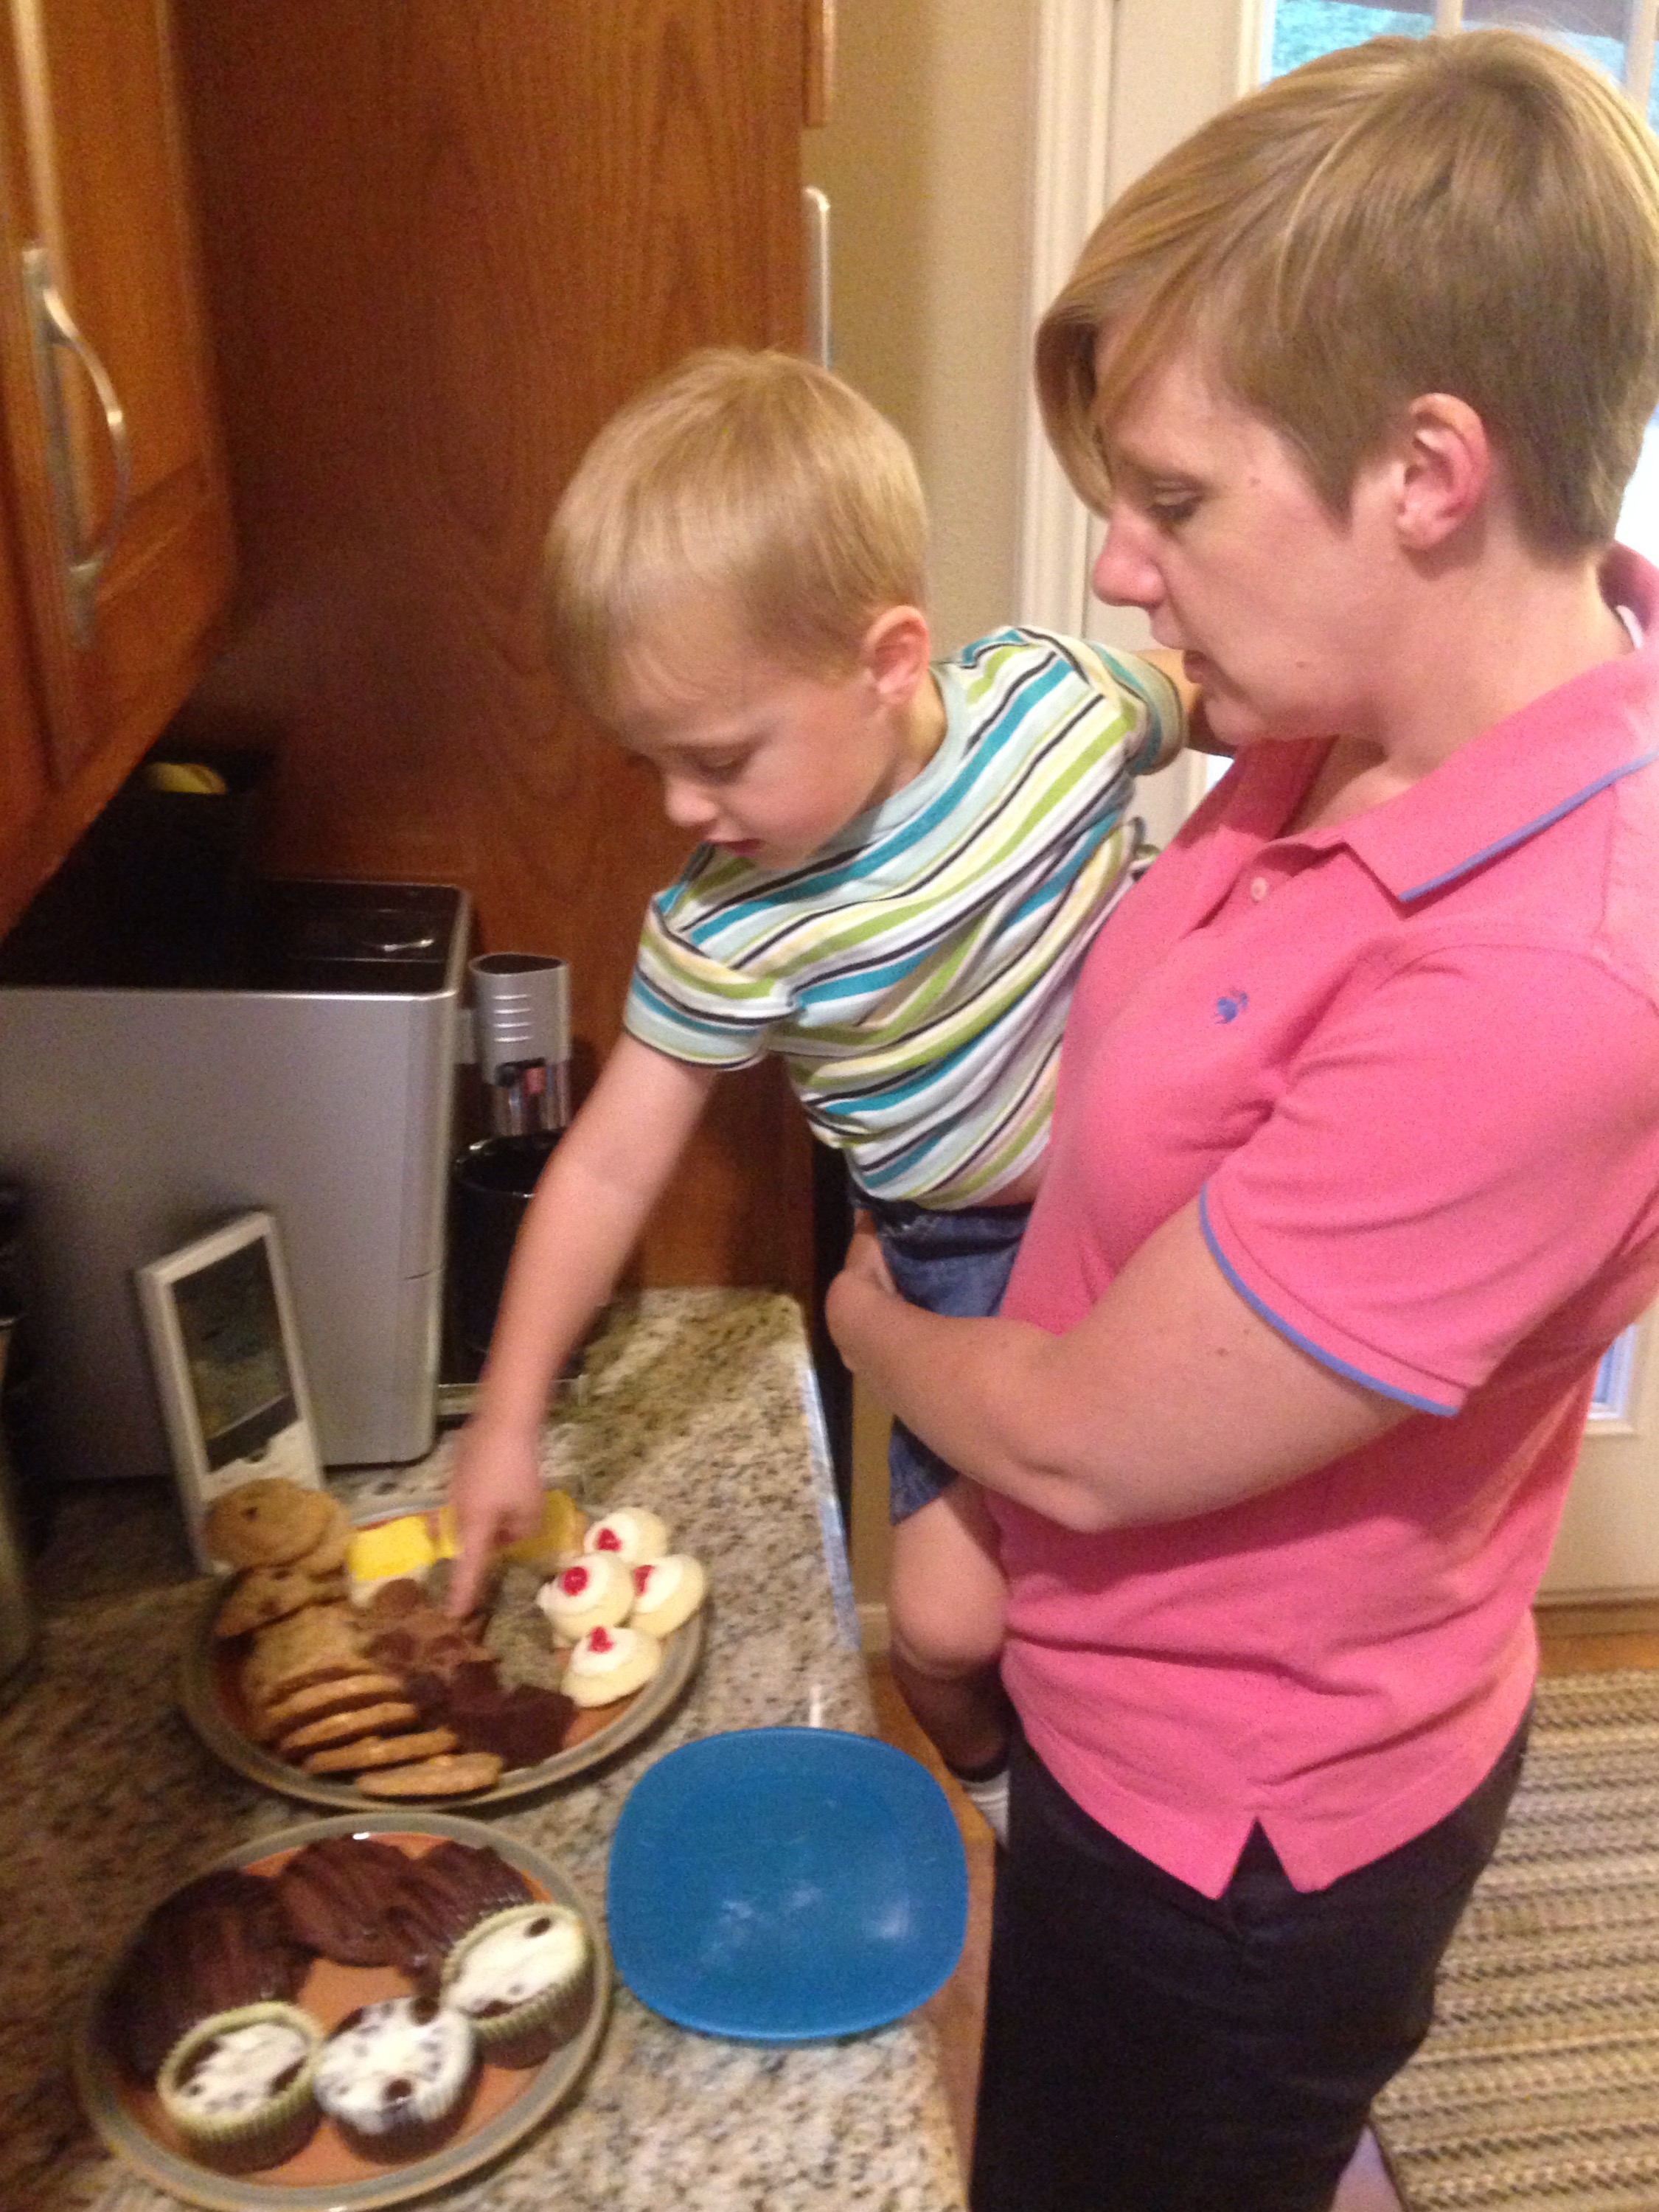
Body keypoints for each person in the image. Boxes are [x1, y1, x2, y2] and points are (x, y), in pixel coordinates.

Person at [826, 27, 1659, 2212]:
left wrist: (871, 1326)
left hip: (1241, 1834)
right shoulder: (1345, 720)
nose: (1119, 568)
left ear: (1429, 473)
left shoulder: (1552, 975)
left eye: (1175, 500)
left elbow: (1092, 1440)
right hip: (1116, 1694)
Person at [445, 348, 1200, 1822]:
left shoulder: (1050, 702)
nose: (683, 806)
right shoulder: (724, 924)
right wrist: (509, 1414)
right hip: (957, 1256)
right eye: (651, 764)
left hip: (1161, 1187)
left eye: (720, 756)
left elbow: (1226, 697)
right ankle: (1005, 1807)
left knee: (1166, 1561)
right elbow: (606, 1163)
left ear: (890, 659)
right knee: (944, 1634)